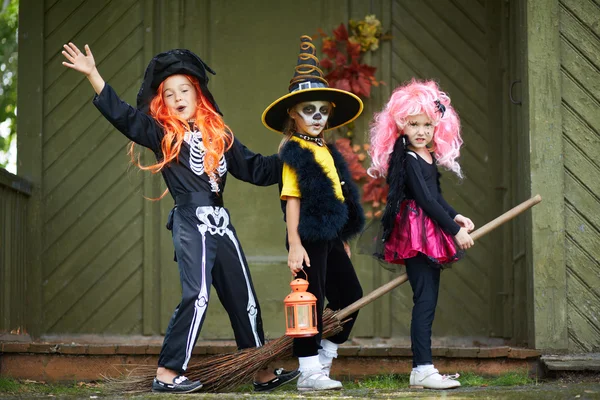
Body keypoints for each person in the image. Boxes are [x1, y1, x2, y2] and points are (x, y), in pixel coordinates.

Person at [61, 43, 299, 394]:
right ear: (163, 102)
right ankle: (168, 373)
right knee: (198, 295)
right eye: (169, 93)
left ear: (197, 93)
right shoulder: (163, 133)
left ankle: (259, 370)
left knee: (243, 296)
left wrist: (291, 150)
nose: (177, 97)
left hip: (222, 222)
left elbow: (258, 170)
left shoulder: (221, 135)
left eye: (184, 89)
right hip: (191, 218)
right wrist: (93, 75)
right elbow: (125, 117)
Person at [261, 35, 365, 392]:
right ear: (293, 112)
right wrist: (294, 243)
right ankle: (308, 372)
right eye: (309, 110)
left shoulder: (325, 149)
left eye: (322, 110)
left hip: (329, 235)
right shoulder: (295, 151)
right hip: (306, 236)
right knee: (309, 303)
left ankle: (323, 360)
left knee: (351, 297)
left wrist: (341, 237)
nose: (317, 117)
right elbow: (292, 199)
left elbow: (336, 194)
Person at [366, 79, 475, 390]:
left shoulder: (426, 155)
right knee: (424, 301)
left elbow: (436, 197)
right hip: (416, 235)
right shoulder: (409, 158)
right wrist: (455, 232)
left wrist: (455, 216)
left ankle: (423, 368)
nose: (421, 131)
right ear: (401, 125)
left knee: (428, 299)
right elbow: (425, 201)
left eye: (427, 124)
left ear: (438, 126)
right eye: (414, 124)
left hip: (429, 232)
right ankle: (422, 369)